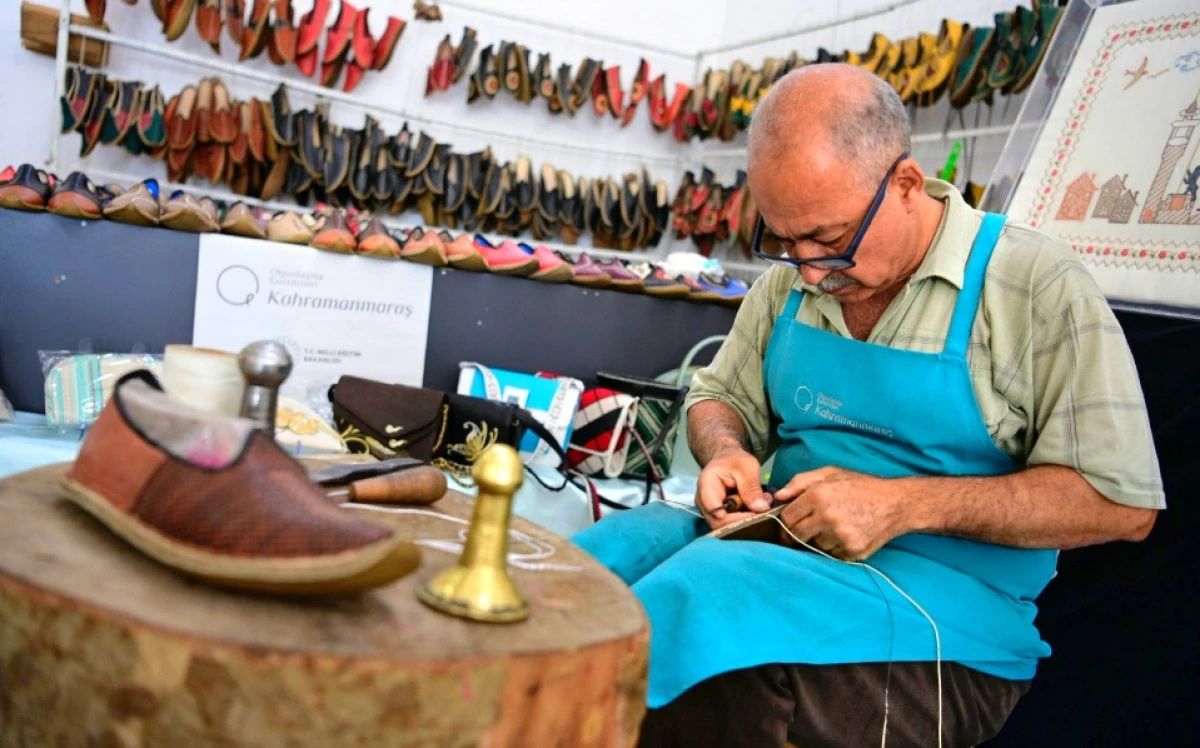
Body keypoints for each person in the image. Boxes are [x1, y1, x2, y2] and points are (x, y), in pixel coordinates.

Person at [572, 64, 1165, 747]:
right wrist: (728, 451)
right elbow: (718, 397)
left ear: (906, 184)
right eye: (785, 242)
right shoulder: (791, 284)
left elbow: (1122, 504)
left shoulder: (1034, 287)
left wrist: (902, 504)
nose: (811, 271)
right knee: (609, 556)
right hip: (783, 548)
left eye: (830, 240)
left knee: (700, 606)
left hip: (949, 621)